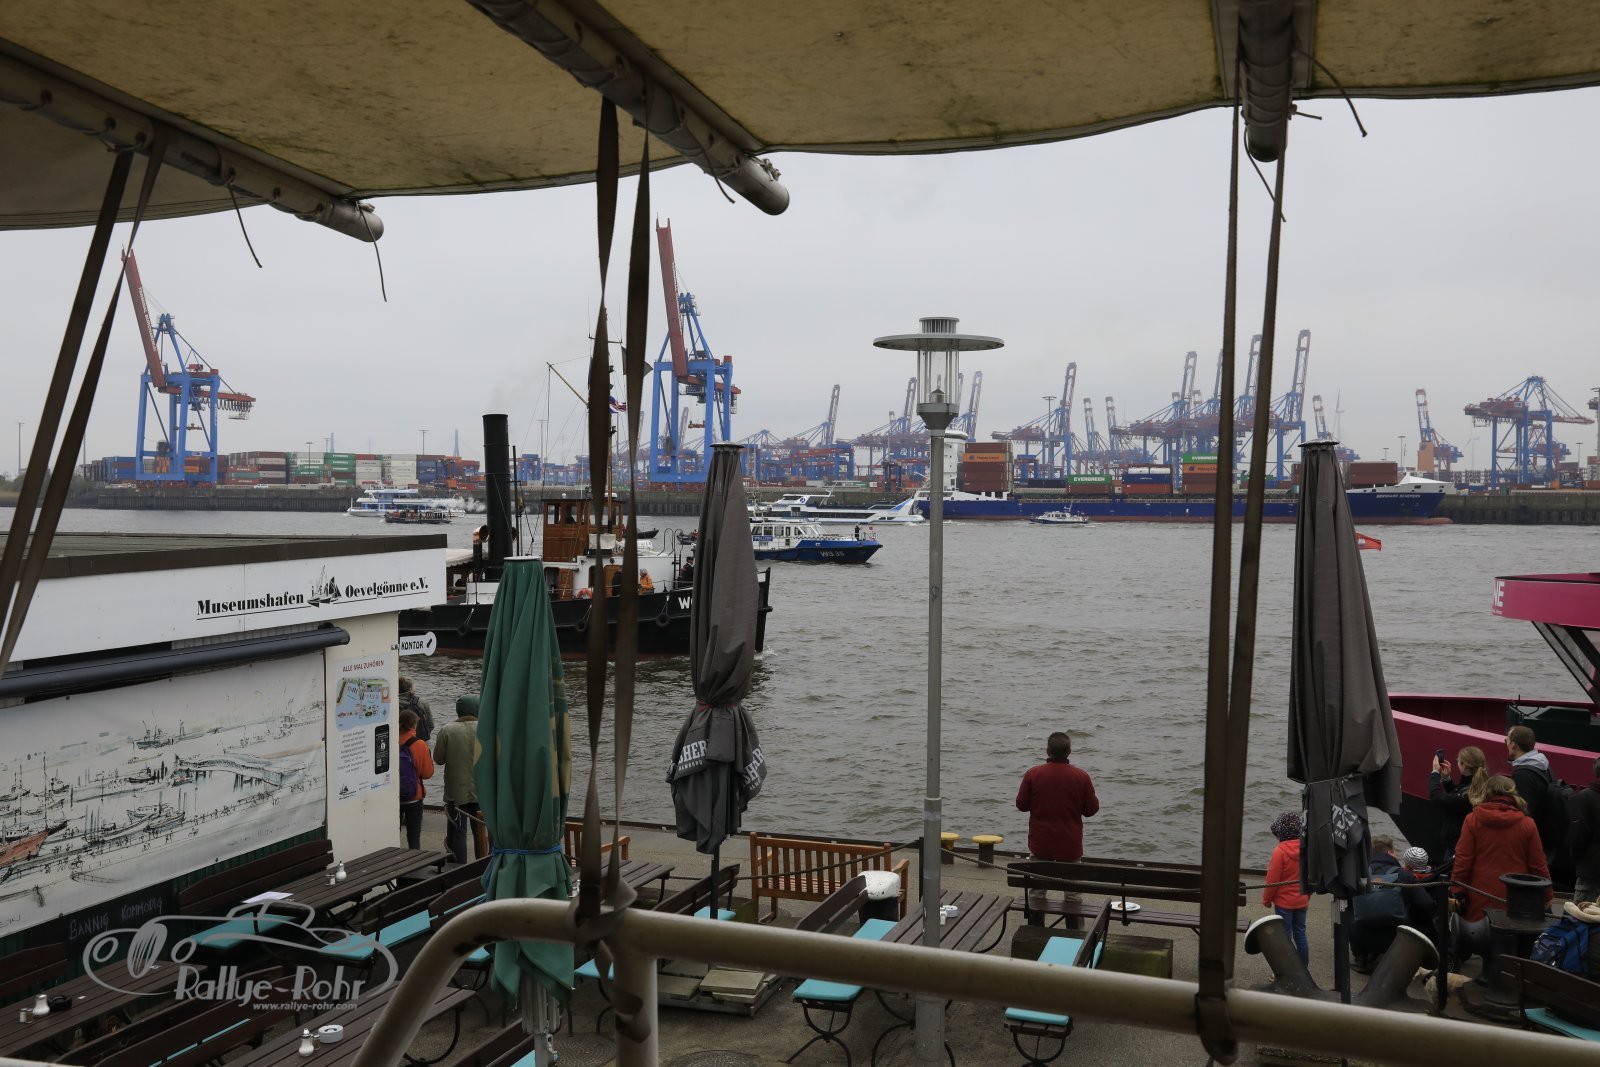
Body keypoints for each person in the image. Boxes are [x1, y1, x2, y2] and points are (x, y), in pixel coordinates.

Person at [1453, 774, 1552, 925]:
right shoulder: (1527, 824)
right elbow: (1538, 864)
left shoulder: (1472, 820)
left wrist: (1457, 890)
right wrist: (1547, 894)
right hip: (1516, 897)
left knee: (1480, 934)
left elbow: (1463, 860)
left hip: (1479, 894)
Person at [1016, 732, 1099, 910]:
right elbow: (1091, 810)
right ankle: (1074, 926)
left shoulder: (1033, 774)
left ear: (1048, 751)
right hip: (1070, 845)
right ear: (1069, 752)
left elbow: (1021, 805)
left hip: (1041, 844)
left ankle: (1035, 925)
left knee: (1037, 892)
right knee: (1073, 895)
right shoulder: (1081, 776)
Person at [433, 694, 486, 864]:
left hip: (456, 791)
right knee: (481, 832)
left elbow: (438, 759)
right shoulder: (487, 729)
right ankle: (483, 867)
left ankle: (458, 869)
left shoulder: (447, 730)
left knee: (458, 831)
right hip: (483, 791)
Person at [1262, 810, 1310, 965]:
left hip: (1284, 903)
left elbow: (1272, 880)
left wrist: (1267, 899)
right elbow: (1310, 877)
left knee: (1285, 936)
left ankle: (1288, 969)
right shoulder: (1306, 850)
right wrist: (1307, 896)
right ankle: (1303, 968)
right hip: (1302, 900)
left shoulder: (1279, 851)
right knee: (1301, 934)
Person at [1428, 745, 1486, 869]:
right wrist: (1447, 779)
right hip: (1461, 843)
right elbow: (1456, 797)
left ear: (1464, 766)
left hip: (1457, 847)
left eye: (1459, 761)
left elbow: (1437, 798)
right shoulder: (1476, 785)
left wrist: (1435, 773)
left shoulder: (1468, 794)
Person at [1506, 725, 1557, 863]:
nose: (1506, 744)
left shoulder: (1523, 776)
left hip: (1532, 844)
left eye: (1507, 741)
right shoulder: (1544, 766)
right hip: (1545, 838)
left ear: (1514, 745)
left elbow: (1523, 813)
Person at [397, 708, 435, 850]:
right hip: (414, 796)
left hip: (393, 797)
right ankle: (415, 861)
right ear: (414, 725)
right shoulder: (419, 744)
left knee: (393, 835)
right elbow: (427, 773)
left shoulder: (389, 740)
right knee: (413, 836)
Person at [1572, 755, 1600, 905]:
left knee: (1581, 913)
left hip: (1590, 869)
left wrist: (1577, 858)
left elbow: (1579, 835)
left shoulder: (1586, 797)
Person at [398, 675, 433, 742]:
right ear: (410, 689)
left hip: (399, 742)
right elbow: (431, 725)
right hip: (420, 741)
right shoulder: (422, 702)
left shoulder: (391, 703)